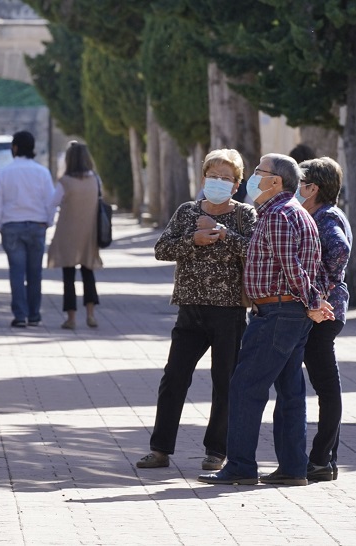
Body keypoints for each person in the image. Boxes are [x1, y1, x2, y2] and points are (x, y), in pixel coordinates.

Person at [198, 153, 334, 487]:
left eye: (259, 172)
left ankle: (241, 466)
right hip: (289, 312)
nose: (253, 178)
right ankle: (292, 467)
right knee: (289, 391)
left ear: (275, 181)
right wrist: (313, 302)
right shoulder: (291, 212)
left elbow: (292, 267)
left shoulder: (278, 214)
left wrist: (314, 301)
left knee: (245, 387)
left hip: (277, 312)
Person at [136, 149, 256, 471]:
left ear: (236, 184)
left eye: (226, 178)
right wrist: (194, 240)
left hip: (228, 311)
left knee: (224, 381)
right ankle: (160, 449)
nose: (218, 182)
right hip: (190, 309)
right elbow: (161, 249)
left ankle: (216, 451)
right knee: (174, 377)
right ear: (203, 178)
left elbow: (257, 251)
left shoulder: (245, 215)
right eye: (212, 176)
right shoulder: (187, 212)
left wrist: (223, 235)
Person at [296, 157, 353, 481]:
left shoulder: (326, 218)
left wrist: (321, 290)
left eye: (301, 184)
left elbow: (339, 250)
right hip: (325, 311)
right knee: (327, 386)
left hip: (324, 313)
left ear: (313, 188)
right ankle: (325, 458)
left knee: (327, 388)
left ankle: (321, 459)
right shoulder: (320, 214)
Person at [0, 130, 55, 328]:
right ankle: (34, 315)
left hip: (12, 225)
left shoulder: (4, 171)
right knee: (35, 272)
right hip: (37, 225)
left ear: (15, 148)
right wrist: (48, 221)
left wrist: (0, 224)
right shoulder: (42, 172)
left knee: (17, 272)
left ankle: (20, 315)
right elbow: (50, 201)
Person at [46, 141, 104, 330]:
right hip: (89, 232)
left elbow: (53, 203)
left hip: (68, 233)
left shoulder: (65, 182)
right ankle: (91, 315)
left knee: (68, 276)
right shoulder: (95, 179)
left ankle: (71, 318)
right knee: (88, 273)